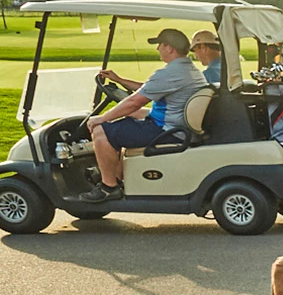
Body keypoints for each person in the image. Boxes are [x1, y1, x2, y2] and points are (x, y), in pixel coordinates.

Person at [78, 28, 205, 202]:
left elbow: (134, 102)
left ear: (169, 48)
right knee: (129, 117)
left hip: (167, 130)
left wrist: (100, 118)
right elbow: (147, 88)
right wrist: (120, 80)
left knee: (102, 130)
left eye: (160, 45)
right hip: (176, 123)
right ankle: (120, 176)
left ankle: (109, 187)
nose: (157, 49)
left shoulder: (169, 73)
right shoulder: (188, 69)